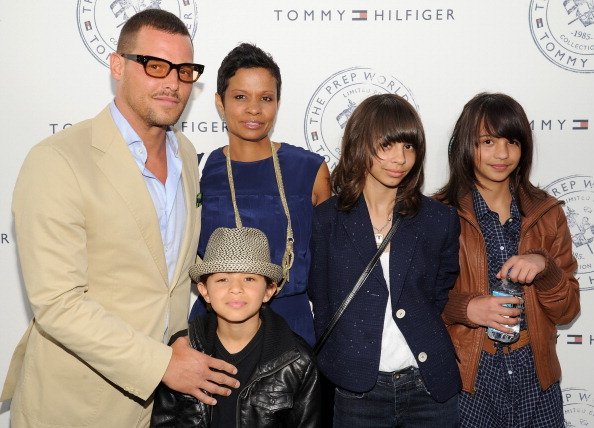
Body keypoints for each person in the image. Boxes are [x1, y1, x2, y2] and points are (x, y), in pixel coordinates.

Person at [1, 9, 238, 427]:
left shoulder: (184, 152)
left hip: (162, 408)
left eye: (184, 71)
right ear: (117, 66)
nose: (172, 83)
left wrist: (180, 342)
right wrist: (162, 364)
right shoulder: (57, 160)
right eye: (155, 66)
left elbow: (170, 280)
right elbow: (58, 302)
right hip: (76, 403)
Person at [308, 93, 461, 427]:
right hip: (357, 390)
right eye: (387, 145)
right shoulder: (326, 221)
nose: (400, 158)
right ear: (361, 144)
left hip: (430, 386)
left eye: (409, 146)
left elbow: (438, 295)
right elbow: (321, 301)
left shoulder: (438, 220)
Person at [436, 92, 580, 427]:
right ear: (466, 145)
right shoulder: (438, 214)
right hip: (468, 382)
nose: (502, 154)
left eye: (512, 141)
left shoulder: (547, 213)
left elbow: (568, 309)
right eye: (488, 141)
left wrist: (545, 268)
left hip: (537, 380)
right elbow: (416, 300)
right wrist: (466, 308)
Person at [189, 43, 331, 347]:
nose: (254, 109)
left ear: (278, 103)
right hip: (215, 329)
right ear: (220, 102)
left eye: (265, 98)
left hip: (292, 329)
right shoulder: (196, 171)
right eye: (240, 97)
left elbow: (329, 264)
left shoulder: (310, 170)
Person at [151, 227, 321, 427]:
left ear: (269, 290)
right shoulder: (183, 350)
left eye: (249, 278)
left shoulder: (298, 361)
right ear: (204, 290)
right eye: (223, 279)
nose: (236, 289)